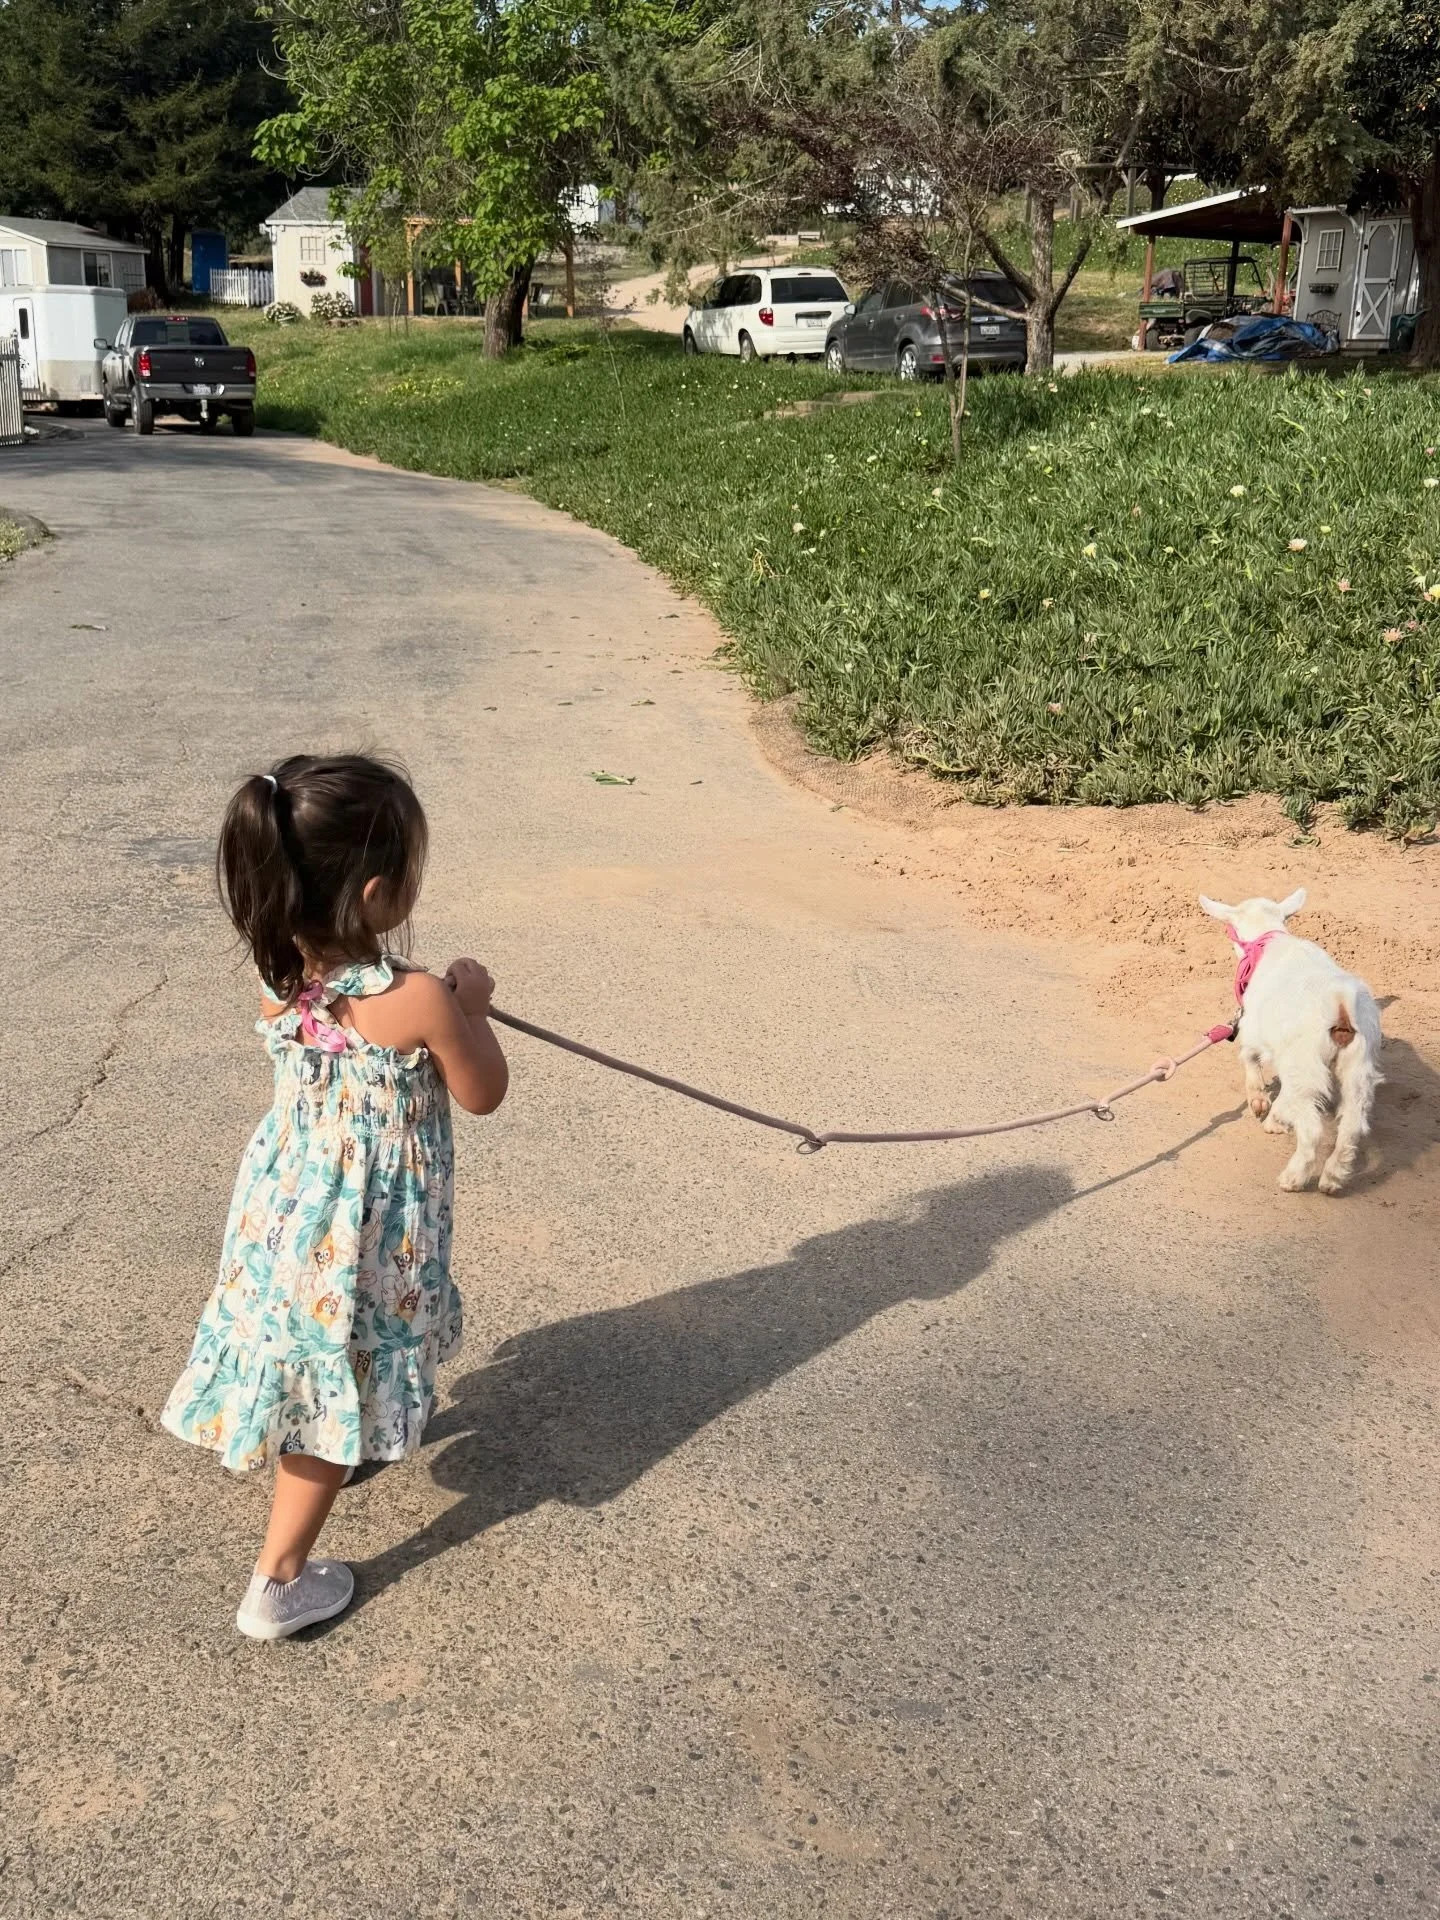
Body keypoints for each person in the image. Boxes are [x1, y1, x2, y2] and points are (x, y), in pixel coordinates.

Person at [161, 753, 509, 1640]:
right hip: (368, 1233)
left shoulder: (280, 971)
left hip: (287, 1208)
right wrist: (473, 1005)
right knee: (332, 1385)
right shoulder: (421, 998)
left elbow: (350, 1004)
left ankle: (324, 1451)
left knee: (310, 1353)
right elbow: (482, 1091)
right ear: (380, 892)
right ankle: (277, 1582)